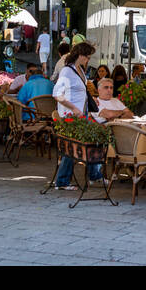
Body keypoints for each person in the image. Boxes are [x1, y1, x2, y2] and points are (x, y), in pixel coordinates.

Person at [52, 43, 101, 191]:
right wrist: (73, 108)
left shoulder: (78, 70)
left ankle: (94, 175)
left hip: (81, 114)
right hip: (71, 116)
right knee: (72, 147)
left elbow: (79, 91)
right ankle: (62, 181)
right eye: (87, 56)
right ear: (80, 55)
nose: (88, 59)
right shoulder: (67, 71)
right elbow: (56, 94)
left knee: (91, 141)